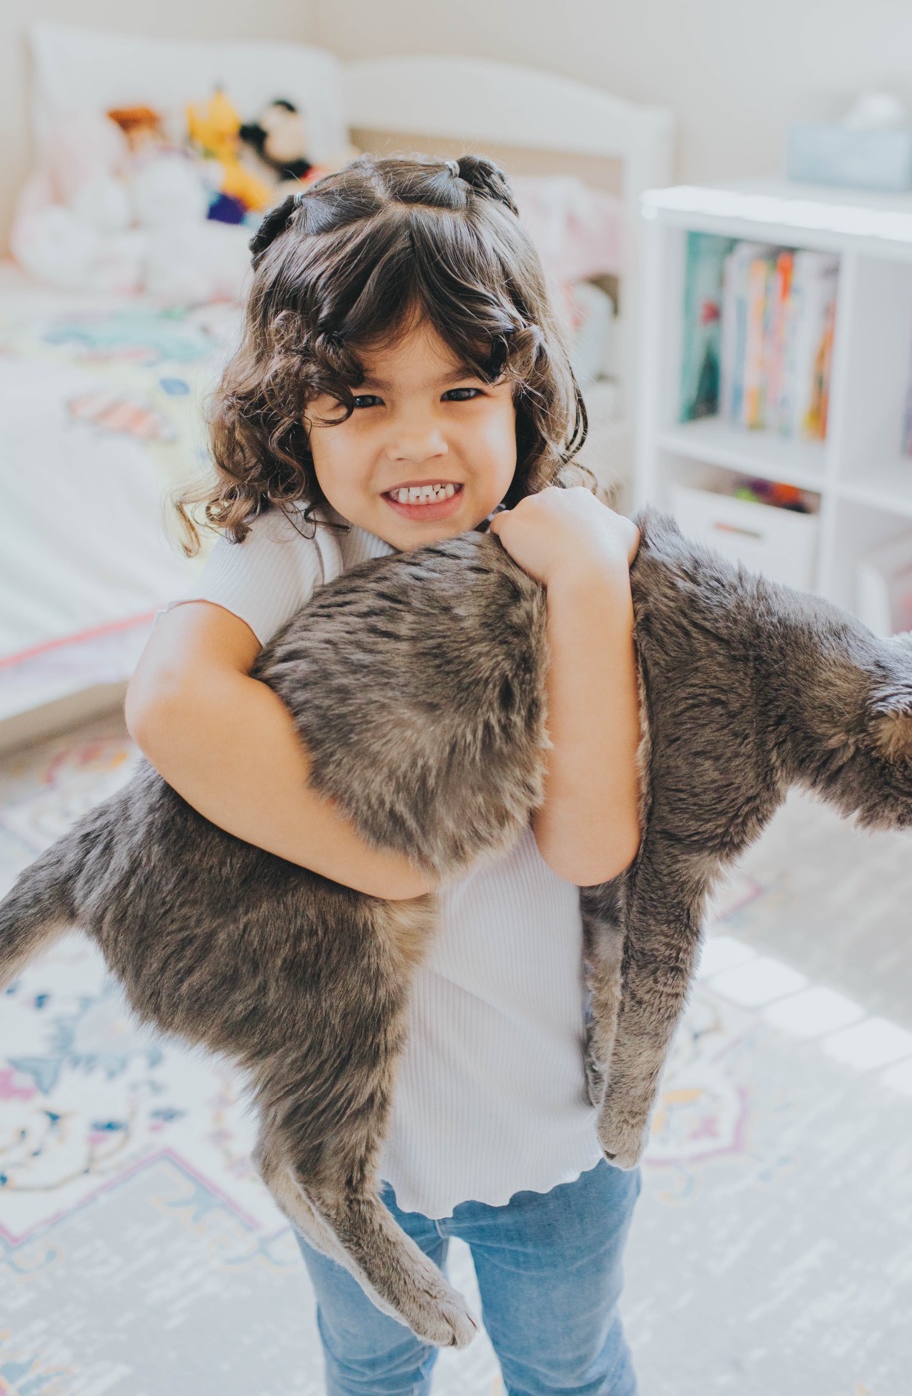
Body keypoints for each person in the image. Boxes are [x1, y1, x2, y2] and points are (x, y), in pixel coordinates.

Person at [125, 154, 644, 1395]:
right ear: (290, 413)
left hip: (556, 1127)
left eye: (463, 387)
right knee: (369, 1369)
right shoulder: (293, 549)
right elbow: (168, 697)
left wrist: (587, 583)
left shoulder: (563, 551)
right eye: (355, 399)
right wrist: (387, 856)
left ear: (527, 391)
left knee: (570, 1373)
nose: (418, 441)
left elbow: (589, 848)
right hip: (351, 1152)